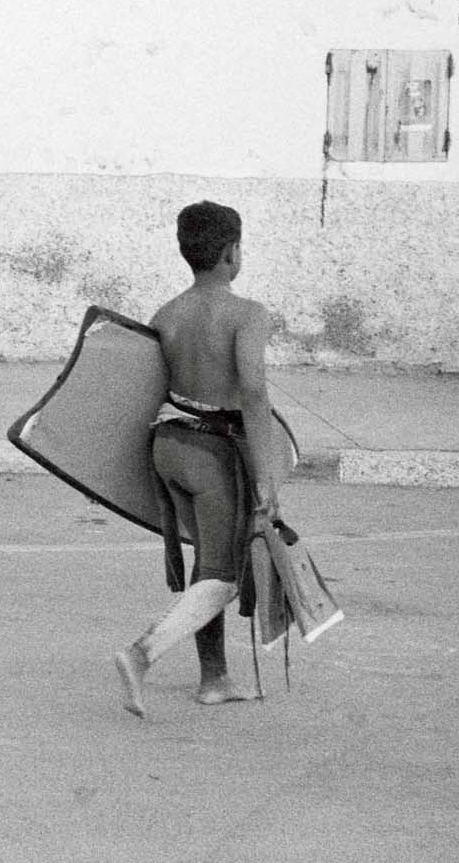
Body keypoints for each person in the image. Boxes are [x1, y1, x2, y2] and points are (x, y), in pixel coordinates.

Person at [116, 200, 292, 712]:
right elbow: (254, 395)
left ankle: (214, 679)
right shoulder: (248, 314)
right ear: (232, 253)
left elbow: (146, 389)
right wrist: (266, 482)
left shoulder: (166, 315)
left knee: (206, 565)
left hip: (168, 447)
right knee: (223, 577)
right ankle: (141, 654)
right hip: (211, 453)